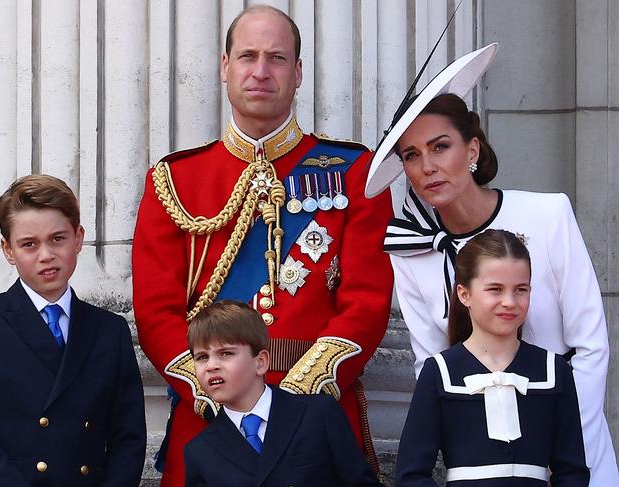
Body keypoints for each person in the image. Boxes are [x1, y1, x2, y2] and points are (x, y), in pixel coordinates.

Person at [132, 5, 393, 486]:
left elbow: (367, 301)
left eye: (276, 58)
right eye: (247, 56)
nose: (260, 71)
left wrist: (295, 397)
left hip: (315, 413)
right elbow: (154, 312)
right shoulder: (175, 179)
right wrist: (216, 389)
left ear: (297, 73)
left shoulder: (354, 171)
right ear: (224, 66)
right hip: (210, 412)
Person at [366, 45, 618, 485]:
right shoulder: (409, 249)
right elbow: (432, 366)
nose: (427, 167)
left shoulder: (548, 215)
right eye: (410, 155)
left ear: (473, 149)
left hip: (572, 456)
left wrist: (560, 447)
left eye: (440, 146)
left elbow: (590, 346)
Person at [0, 174, 146, 486]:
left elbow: (127, 439)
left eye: (57, 238)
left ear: (78, 238)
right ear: (8, 250)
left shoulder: (110, 331)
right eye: (29, 244)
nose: (46, 255)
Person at [395, 229, 589, 486]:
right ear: (465, 294)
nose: (509, 301)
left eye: (521, 289)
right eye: (495, 289)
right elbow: (411, 475)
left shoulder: (554, 371)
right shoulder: (440, 372)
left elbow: (572, 472)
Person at [184, 300, 382, 487]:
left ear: (261, 362)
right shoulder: (200, 451)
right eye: (201, 357)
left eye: (225, 353)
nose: (211, 366)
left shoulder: (318, 414)